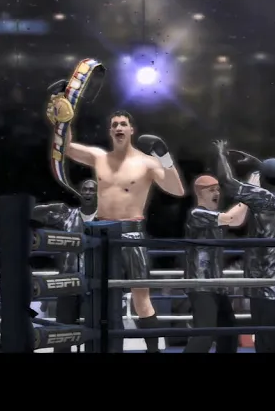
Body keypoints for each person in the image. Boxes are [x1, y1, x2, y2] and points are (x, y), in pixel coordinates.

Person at [59, 107, 186, 352]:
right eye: (115, 124)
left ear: (131, 130)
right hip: (101, 232)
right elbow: (66, 148)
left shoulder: (146, 162)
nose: (118, 127)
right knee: (98, 292)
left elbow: (177, 190)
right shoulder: (99, 158)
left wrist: (165, 158)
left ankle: (153, 351)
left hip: (131, 232)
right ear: (110, 131)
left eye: (123, 124)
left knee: (141, 299)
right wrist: (65, 119)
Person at [212, 140, 275, 353]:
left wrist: (221, 154)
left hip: (269, 284)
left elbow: (227, 181)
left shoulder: (262, 197)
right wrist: (259, 164)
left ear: (263, 178)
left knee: (266, 343)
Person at [183, 173, 257, 353]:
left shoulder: (215, 216)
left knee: (229, 332)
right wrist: (249, 192)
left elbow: (237, 219)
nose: (216, 193)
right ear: (200, 193)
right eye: (211, 190)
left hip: (216, 283)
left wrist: (249, 195)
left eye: (217, 189)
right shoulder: (196, 214)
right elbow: (231, 218)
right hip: (200, 283)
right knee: (205, 335)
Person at [31, 179, 97, 353]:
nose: (88, 192)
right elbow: (31, 213)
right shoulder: (68, 215)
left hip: (94, 283)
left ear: (99, 194)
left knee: (94, 332)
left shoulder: (105, 217)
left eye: (92, 190)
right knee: (63, 332)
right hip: (68, 282)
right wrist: (49, 207)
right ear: (79, 193)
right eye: (84, 189)